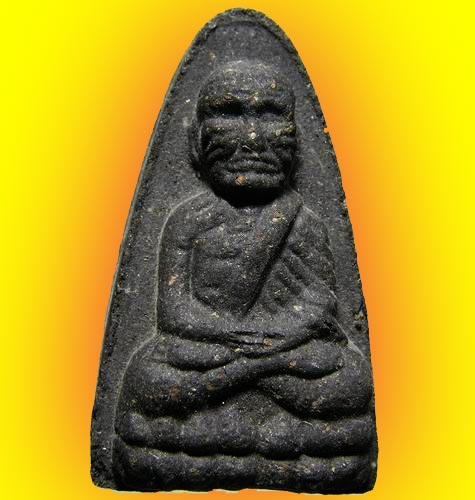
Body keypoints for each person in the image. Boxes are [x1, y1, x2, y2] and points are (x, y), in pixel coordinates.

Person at [112, 60, 375, 492]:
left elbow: (322, 302)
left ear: (295, 140)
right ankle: (269, 419)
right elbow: (174, 312)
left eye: (270, 116)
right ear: (197, 140)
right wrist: (232, 337)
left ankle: (217, 418)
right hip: (213, 349)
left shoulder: (304, 222)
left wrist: (281, 338)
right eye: (230, 114)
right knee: (148, 375)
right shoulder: (188, 220)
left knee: (348, 378)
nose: (251, 137)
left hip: (279, 350)